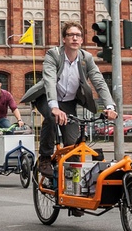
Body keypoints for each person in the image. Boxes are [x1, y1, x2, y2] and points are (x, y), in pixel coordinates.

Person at [20, 21, 118, 179]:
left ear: (81, 40)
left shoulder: (86, 58)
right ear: (64, 39)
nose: (74, 38)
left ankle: (71, 185)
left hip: (69, 102)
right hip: (47, 97)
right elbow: (50, 81)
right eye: (70, 35)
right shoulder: (54, 55)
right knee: (52, 118)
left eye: (78, 35)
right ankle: (44, 159)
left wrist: (110, 106)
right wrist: (54, 107)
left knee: (73, 147)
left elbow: (99, 82)